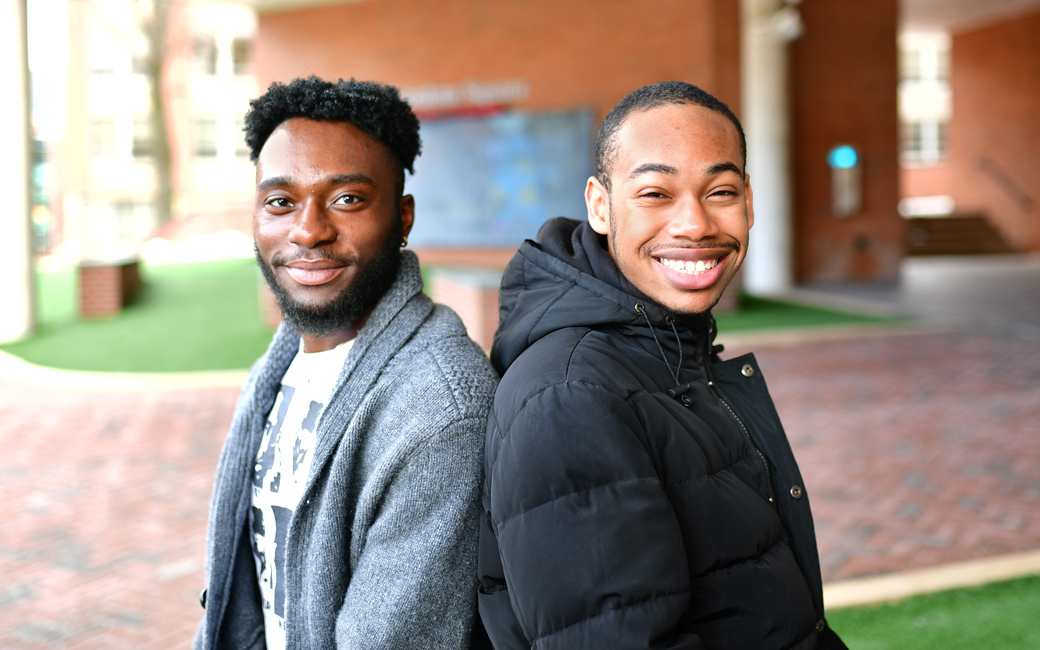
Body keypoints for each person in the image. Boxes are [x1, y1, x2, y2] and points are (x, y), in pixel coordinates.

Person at [477, 81, 847, 649]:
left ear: (748, 201)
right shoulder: (570, 394)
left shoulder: (670, 349)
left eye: (719, 192)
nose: (695, 224)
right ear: (601, 206)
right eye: (655, 194)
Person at [195, 76, 498, 650]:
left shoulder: (440, 408)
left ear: (403, 217)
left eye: (347, 199)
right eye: (280, 202)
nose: (309, 230)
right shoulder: (279, 368)